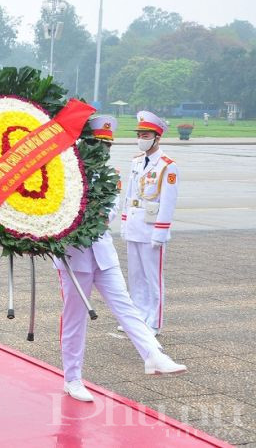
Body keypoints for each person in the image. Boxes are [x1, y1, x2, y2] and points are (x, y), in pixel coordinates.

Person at [55, 116, 186, 403]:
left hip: (102, 253)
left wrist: (94, 216)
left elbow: (110, 211)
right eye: (98, 143)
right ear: (84, 142)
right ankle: (72, 378)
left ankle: (153, 355)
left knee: (126, 306)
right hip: (73, 258)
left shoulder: (109, 174)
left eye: (107, 144)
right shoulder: (62, 173)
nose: (103, 148)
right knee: (75, 319)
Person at [121, 110, 179, 335]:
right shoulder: (136, 162)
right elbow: (129, 196)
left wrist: (160, 232)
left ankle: (153, 321)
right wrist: (125, 223)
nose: (141, 139)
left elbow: (168, 202)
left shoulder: (167, 166)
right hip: (135, 225)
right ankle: (138, 318)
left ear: (157, 137)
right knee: (135, 277)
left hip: (152, 228)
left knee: (152, 278)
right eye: (140, 134)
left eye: (146, 135)